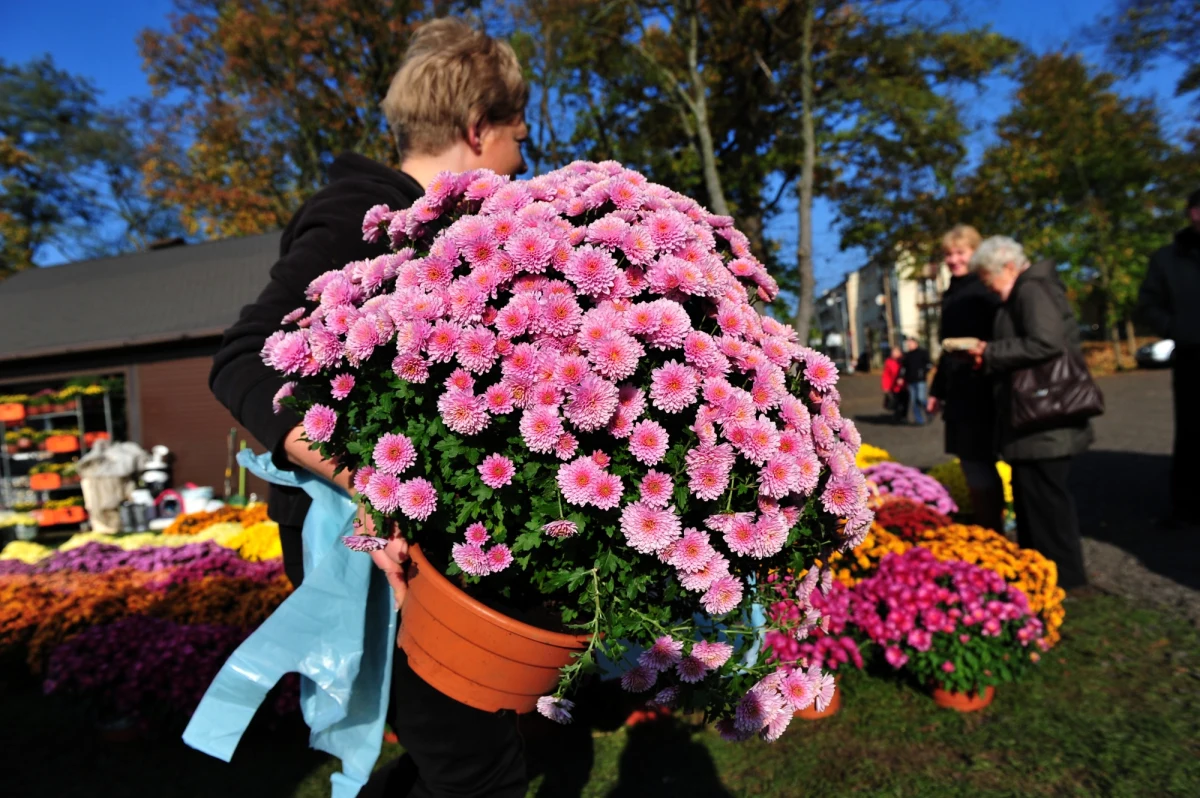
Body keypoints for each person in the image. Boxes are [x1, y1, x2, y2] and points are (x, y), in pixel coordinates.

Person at [209, 18, 531, 798]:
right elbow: (242, 359)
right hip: (367, 545)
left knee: (464, 755)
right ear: (477, 128)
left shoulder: (452, 233)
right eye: (520, 135)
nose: (524, 158)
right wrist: (373, 482)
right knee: (473, 766)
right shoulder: (364, 215)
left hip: (424, 542)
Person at [969, 236, 1091, 590]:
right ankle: (1045, 577)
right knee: (1035, 500)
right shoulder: (1027, 289)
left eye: (989, 279)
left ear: (1008, 267)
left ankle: (1063, 579)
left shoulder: (1031, 289)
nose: (989, 289)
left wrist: (989, 351)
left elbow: (1046, 341)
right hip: (1038, 415)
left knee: (1047, 503)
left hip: (1044, 416)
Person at [928, 225, 1005, 532]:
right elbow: (946, 349)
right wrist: (938, 390)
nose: (953, 259)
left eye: (961, 253)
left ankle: (991, 529)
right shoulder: (953, 291)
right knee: (971, 460)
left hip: (981, 388)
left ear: (976, 252)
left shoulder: (985, 289)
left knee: (978, 459)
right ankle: (988, 526)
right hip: (960, 388)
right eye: (949, 254)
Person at [1137, 188, 1200, 529]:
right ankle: (1187, 508)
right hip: (1191, 357)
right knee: (1190, 433)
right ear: (1190, 213)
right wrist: (1176, 328)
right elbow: (1148, 305)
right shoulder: (1168, 259)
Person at [900, 337, 932, 425]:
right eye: (908, 344)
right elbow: (903, 368)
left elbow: (929, 364)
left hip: (920, 380)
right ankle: (919, 420)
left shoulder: (923, 353)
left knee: (921, 399)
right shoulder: (907, 355)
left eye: (910, 343)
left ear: (916, 343)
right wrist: (901, 377)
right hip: (910, 381)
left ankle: (930, 411)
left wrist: (923, 372)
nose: (909, 345)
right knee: (914, 402)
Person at [880, 346, 907, 422]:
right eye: (892, 352)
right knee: (895, 402)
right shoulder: (889, 362)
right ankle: (897, 416)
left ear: (900, 353)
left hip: (904, 386)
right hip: (893, 386)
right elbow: (886, 375)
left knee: (904, 402)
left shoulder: (904, 360)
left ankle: (904, 416)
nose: (893, 353)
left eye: (895, 352)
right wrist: (885, 386)